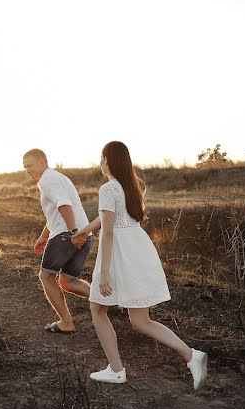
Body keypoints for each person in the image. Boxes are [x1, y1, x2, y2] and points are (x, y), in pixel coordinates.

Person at [72, 141, 208, 389]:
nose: (100, 162)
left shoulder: (108, 188)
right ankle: (191, 355)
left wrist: (103, 272)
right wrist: (84, 230)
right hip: (138, 250)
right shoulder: (131, 187)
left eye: (101, 158)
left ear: (108, 160)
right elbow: (107, 219)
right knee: (140, 321)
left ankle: (116, 370)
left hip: (120, 254)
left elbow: (110, 230)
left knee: (98, 309)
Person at [23, 148, 92, 334]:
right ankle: (108, 302)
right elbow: (55, 213)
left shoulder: (48, 179)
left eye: (30, 165)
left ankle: (66, 323)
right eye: (24, 167)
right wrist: (44, 236)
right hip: (84, 234)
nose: (27, 170)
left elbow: (64, 206)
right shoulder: (54, 178)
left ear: (42, 162)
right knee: (67, 281)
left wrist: (73, 233)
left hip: (67, 234)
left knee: (46, 276)